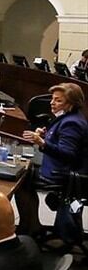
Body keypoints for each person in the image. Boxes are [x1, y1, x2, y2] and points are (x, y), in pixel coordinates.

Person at [17, 83, 88, 234]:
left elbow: (67, 154)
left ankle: (29, 227)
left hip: (60, 174)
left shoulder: (72, 123)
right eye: (52, 99)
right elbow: (61, 139)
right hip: (60, 169)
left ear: (71, 104)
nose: (52, 102)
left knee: (21, 179)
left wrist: (42, 142)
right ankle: (32, 225)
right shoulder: (69, 117)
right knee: (25, 173)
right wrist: (45, 136)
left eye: (58, 100)